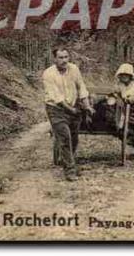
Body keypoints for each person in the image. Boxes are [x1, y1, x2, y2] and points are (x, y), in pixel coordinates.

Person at [42, 47, 95, 181]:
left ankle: (67, 160)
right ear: (54, 59)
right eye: (60, 58)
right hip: (56, 109)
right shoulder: (48, 74)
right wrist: (71, 110)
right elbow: (57, 98)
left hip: (73, 106)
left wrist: (87, 106)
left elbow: (81, 87)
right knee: (65, 137)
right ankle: (70, 170)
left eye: (66, 57)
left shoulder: (74, 69)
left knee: (74, 138)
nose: (64, 60)